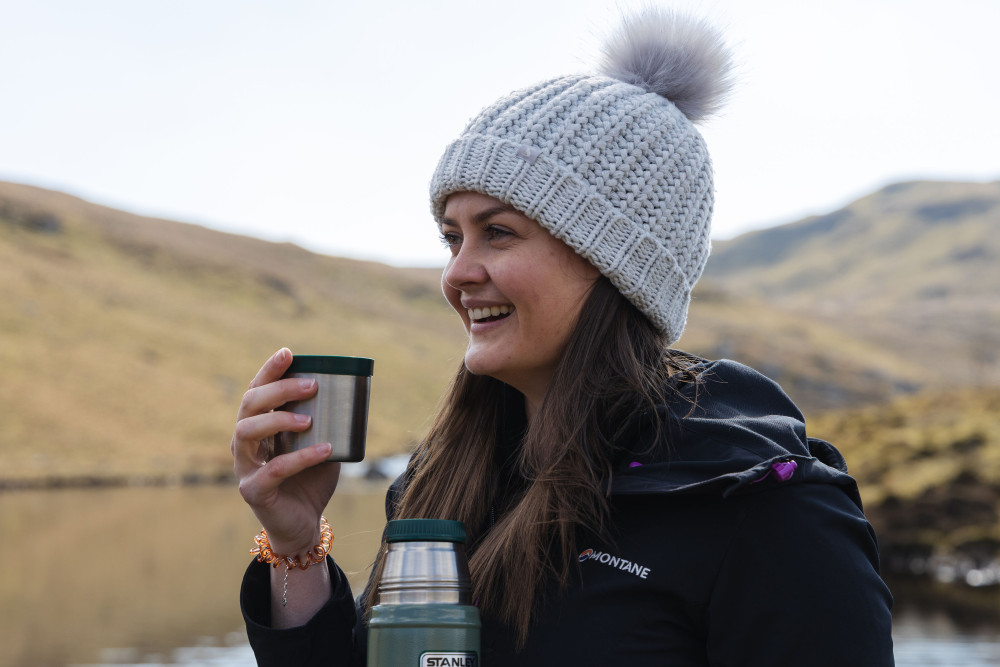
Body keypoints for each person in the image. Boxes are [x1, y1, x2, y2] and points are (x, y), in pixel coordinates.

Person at [232, 8, 895, 665]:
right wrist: (294, 544)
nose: (458, 274)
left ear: (612, 263)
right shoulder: (435, 488)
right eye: (451, 237)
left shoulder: (765, 509)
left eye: (498, 232)